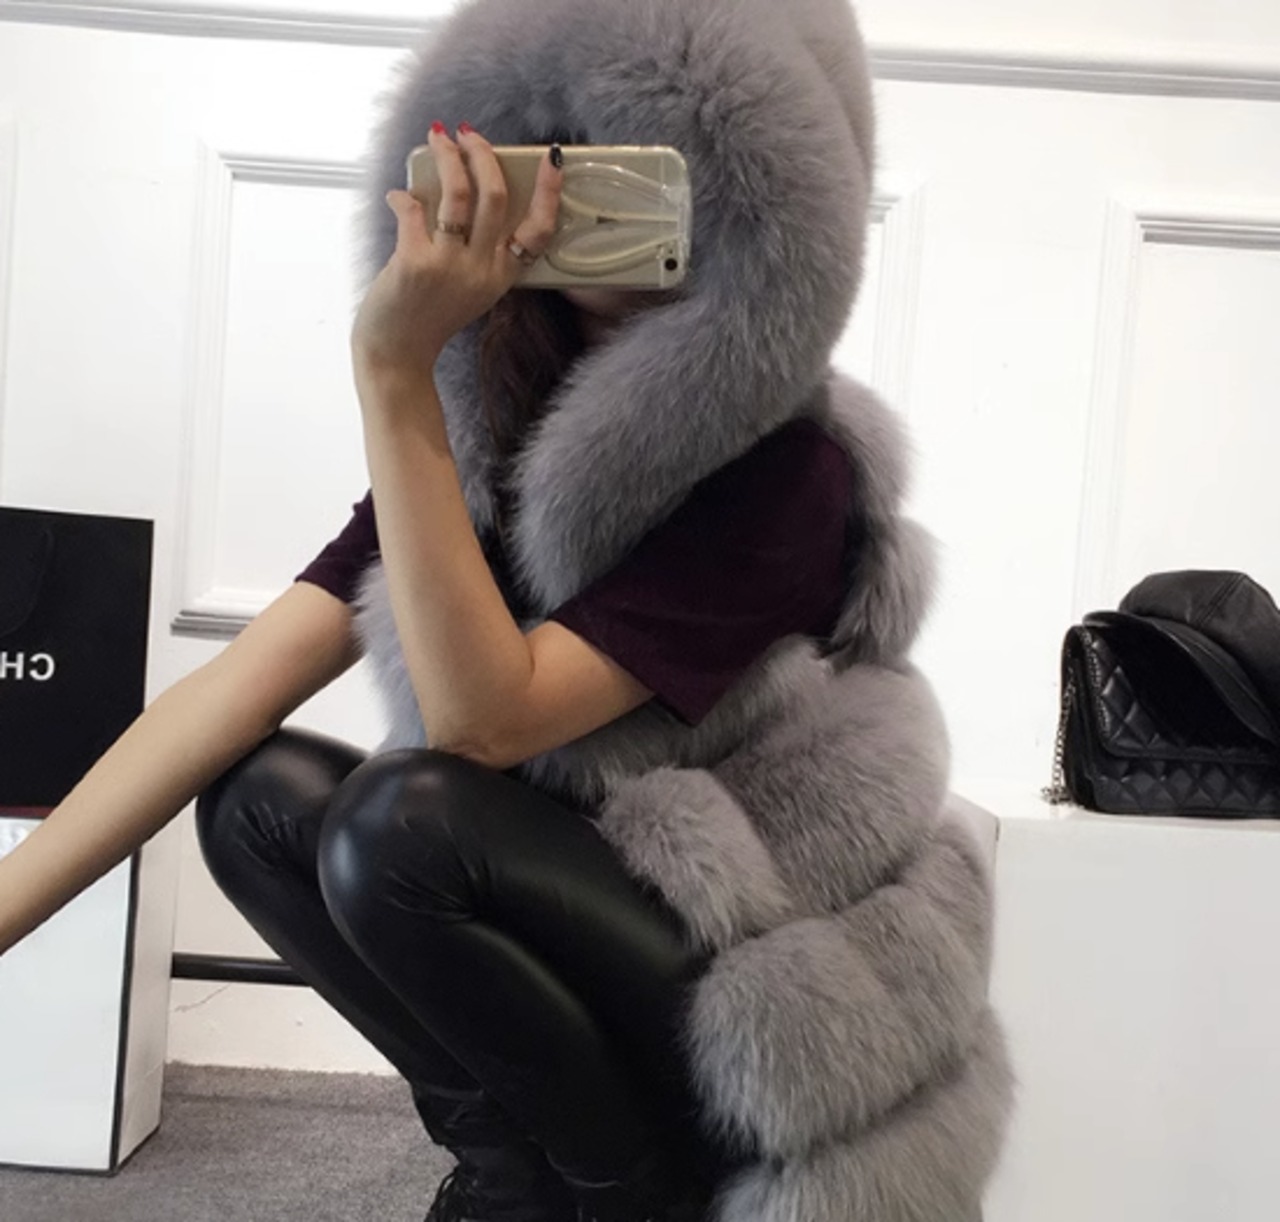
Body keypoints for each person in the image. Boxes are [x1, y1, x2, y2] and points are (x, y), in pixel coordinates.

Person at [0, 2, 1014, 1221]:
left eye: (672, 171)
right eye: (566, 158)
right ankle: (510, 1170)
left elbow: (485, 722)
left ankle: (624, 1189)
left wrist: (390, 371)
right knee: (260, 801)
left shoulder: (788, 469)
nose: (599, 200)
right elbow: (228, 693)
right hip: (580, 895)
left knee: (405, 823)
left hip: (743, 943)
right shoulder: (491, 425)